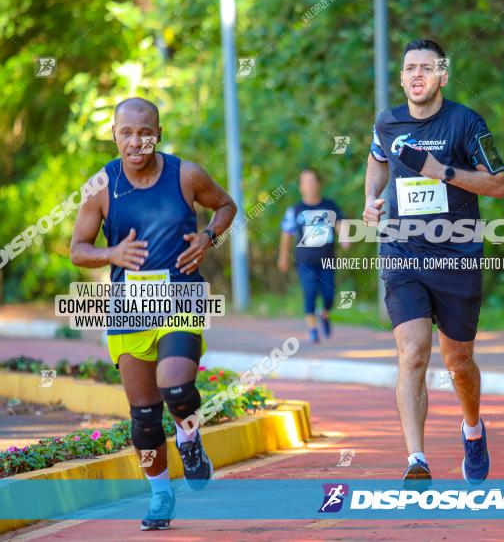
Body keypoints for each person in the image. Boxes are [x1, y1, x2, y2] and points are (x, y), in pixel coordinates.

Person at [70, 97, 237, 530]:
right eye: (126, 132)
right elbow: (78, 250)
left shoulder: (186, 174)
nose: (136, 141)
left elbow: (226, 206)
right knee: (144, 417)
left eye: (145, 132)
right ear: (114, 135)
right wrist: (112, 253)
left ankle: (189, 434)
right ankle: (161, 495)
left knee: (178, 390)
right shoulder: (100, 187)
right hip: (129, 310)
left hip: (180, 299)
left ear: (158, 132)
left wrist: (208, 238)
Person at [363, 38, 504, 485]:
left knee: (458, 360)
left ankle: (472, 428)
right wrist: (369, 200)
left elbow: (498, 185)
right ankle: (416, 459)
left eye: (427, 67)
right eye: (410, 68)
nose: (418, 75)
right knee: (412, 354)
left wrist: (439, 170)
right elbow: (377, 159)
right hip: (402, 251)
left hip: (457, 254)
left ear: (443, 75)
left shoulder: (466, 122)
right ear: (402, 76)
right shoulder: (387, 121)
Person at [277, 168, 348, 343]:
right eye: (305, 182)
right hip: (305, 260)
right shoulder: (295, 210)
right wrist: (283, 256)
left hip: (327, 260)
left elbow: (340, 224)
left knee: (329, 295)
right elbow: (286, 235)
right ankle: (312, 329)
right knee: (309, 291)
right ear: (301, 187)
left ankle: (323, 314)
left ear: (318, 184)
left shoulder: (330, 206)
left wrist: (345, 238)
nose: (309, 186)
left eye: (312, 181)